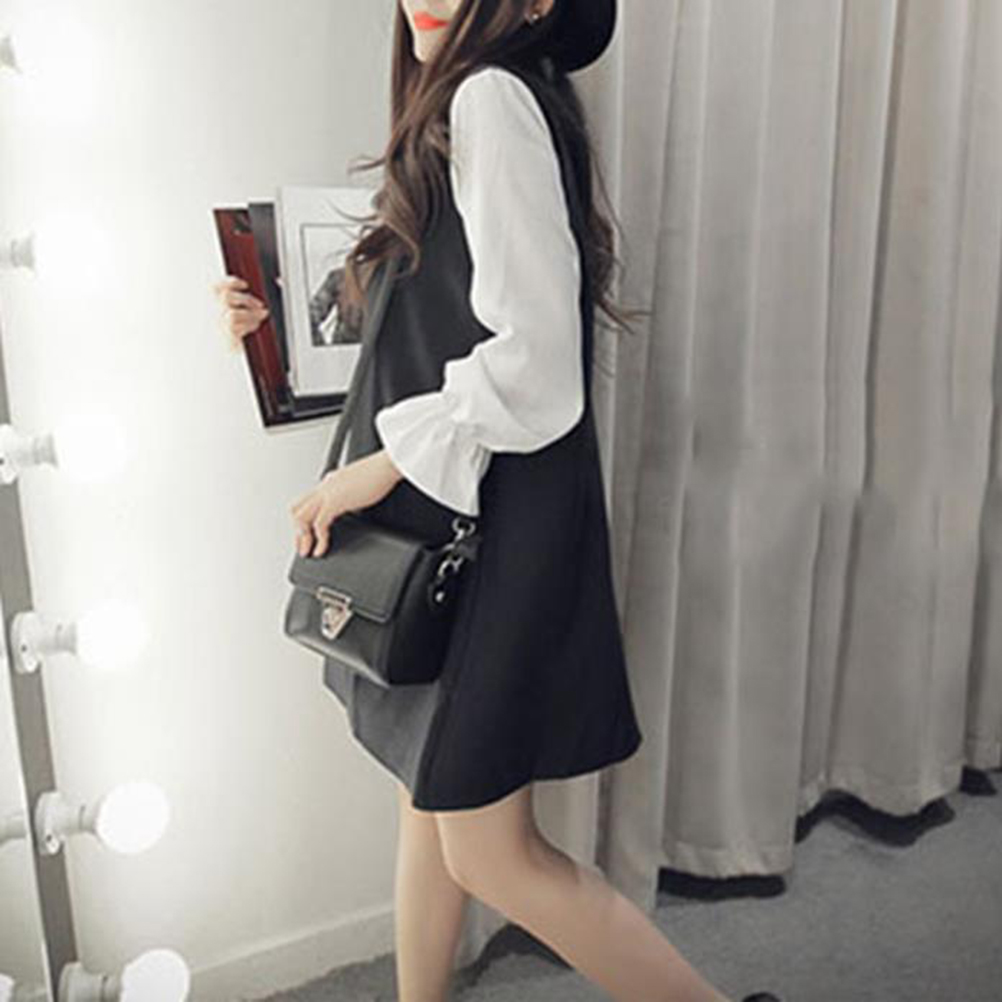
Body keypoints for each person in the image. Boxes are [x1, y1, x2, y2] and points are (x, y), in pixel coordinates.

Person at [215, 3, 783, 1001]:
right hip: (474, 511)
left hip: (492, 523)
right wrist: (268, 326)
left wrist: (374, 469)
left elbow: (535, 358)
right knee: (429, 794)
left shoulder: (488, 98)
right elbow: (430, 324)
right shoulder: (469, 107)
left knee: (491, 852)